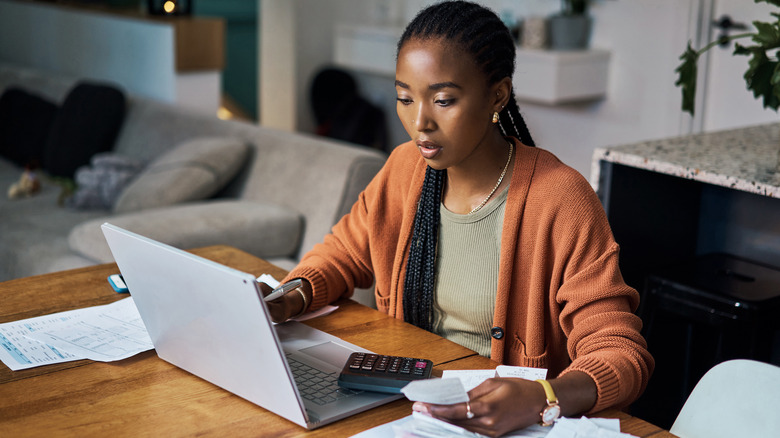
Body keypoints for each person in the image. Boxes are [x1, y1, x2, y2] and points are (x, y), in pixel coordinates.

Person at [263, 1, 653, 436]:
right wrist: (289, 296)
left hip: (506, 421)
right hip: (409, 407)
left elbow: (621, 353)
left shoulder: (560, 198)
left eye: (443, 100)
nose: (420, 123)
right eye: (404, 99)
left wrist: (546, 395)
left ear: (497, 95)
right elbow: (343, 252)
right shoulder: (404, 168)